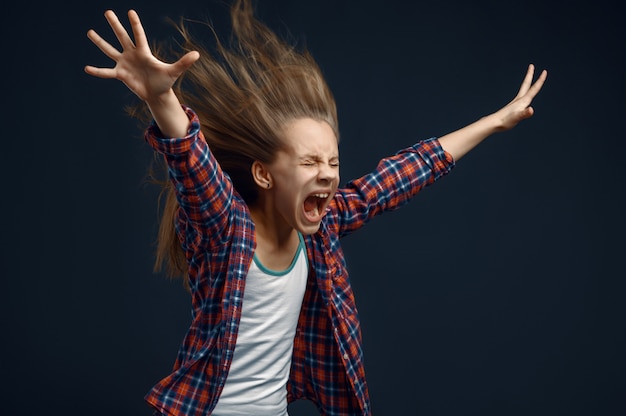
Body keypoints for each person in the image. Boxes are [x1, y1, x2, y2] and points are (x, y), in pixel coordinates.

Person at [85, 1, 547, 415]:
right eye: (309, 162)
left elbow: (404, 174)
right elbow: (192, 164)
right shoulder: (227, 227)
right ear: (265, 174)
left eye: (333, 161)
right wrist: (161, 96)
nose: (327, 173)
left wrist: (492, 123)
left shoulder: (324, 227)